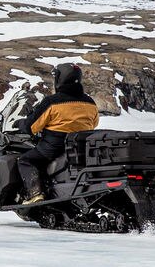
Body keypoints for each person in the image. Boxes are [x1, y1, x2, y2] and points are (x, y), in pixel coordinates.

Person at [16, 63, 99, 204]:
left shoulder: (52, 102)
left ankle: (34, 194)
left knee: (26, 160)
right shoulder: (90, 102)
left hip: (54, 147)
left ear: (60, 79)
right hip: (81, 147)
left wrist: (20, 124)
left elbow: (32, 127)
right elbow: (94, 123)